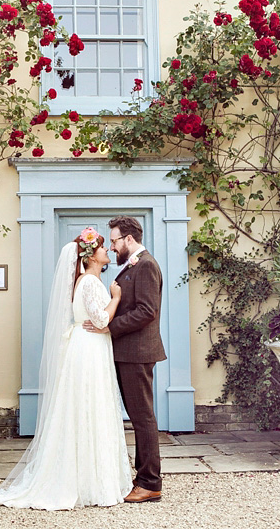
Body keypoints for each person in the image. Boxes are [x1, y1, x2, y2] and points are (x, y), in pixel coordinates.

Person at [0, 228, 131, 510]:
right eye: (103, 248)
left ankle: (89, 475)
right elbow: (102, 320)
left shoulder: (85, 281)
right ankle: (89, 480)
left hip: (87, 345)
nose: (107, 252)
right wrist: (116, 298)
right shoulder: (90, 283)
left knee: (85, 407)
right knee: (89, 406)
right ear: (92, 256)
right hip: (89, 347)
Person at [84, 215, 165, 503]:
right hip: (128, 353)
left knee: (143, 418)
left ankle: (150, 482)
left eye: (116, 240)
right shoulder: (133, 266)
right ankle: (142, 478)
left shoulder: (146, 266)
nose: (114, 246)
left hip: (137, 353)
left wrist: (110, 326)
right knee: (139, 417)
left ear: (129, 239)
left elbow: (147, 311)